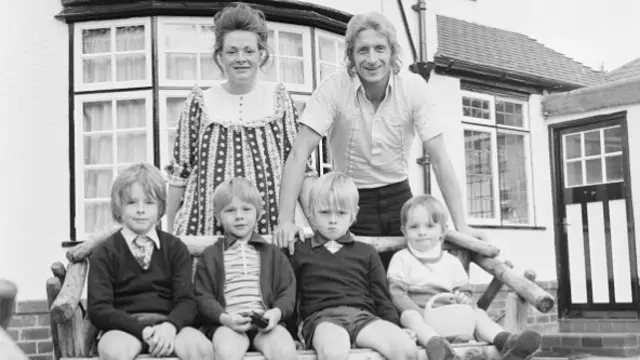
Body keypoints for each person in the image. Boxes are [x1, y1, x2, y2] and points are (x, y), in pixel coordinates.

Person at [274, 11, 484, 266]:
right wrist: (285, 220)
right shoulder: (333, 89)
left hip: (399, 198)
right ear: (351, 55)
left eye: (379, 49)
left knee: (403, 279)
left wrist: (461, 225)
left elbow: (439, 159)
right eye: (363, 50)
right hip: (350, 200)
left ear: (392, 53)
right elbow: (298, 154)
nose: (372, 59)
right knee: (355, 283)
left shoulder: (414, 88)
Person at [165, 2, 316, 237]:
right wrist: (168, 235)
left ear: (261, 54)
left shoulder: (278, 98)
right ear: (220, 56)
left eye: (248, 51)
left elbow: (299, 166)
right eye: (232, 51)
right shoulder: (200, 101)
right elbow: (179, 174)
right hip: (205, 230)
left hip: (267, 231)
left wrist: (318, 228)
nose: (240, 58)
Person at [387, 195, 541, 360]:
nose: (422, 232)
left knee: (478, 314)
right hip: (424, 320)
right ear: (404, 230)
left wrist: (464, 300)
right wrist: (423, 314)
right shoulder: (401, 259)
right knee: (409, 316)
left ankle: (507, 342)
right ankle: (437, 348)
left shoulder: (451, 262)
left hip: (453, 317)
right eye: (414, 227)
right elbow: (397, 294)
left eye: (430, 226)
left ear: (442, 230)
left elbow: (465, 292)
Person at [87, 163, 212, 360]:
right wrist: (142, 330)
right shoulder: (105, 252)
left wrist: (170, 326)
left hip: (170, 326)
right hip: (123, 329)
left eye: (149, 202)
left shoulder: (175, 248)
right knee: (113, 352)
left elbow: (187, 301)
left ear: (161, 206)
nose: (140, 210)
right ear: (118, 206)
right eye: (132, 203)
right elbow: (99, 309)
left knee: (201, 349)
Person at [289, 172, 418, 360]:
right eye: (325, 212)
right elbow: (291, 298)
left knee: (406, 349)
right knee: (334, 352)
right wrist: (291, 335)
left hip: (364, 318)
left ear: (354, 214)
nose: (333, 220)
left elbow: (382, 298)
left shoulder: (366, 252)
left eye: (341, 213)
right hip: (322, 319)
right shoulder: (300, 251)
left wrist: (396, 327)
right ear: (311, 212)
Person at [194, 177, 298, 360]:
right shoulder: (211, 255)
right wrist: (224, 318)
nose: (239, 216)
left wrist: (275, 313)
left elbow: (288, 292)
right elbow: (203, 297)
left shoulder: (272, 253)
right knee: (226, 351)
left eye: (246, 209)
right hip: (228, 323)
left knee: (284, 350)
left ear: (258, 214)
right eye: (230, 210)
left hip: (264, 322)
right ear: (218, 217)